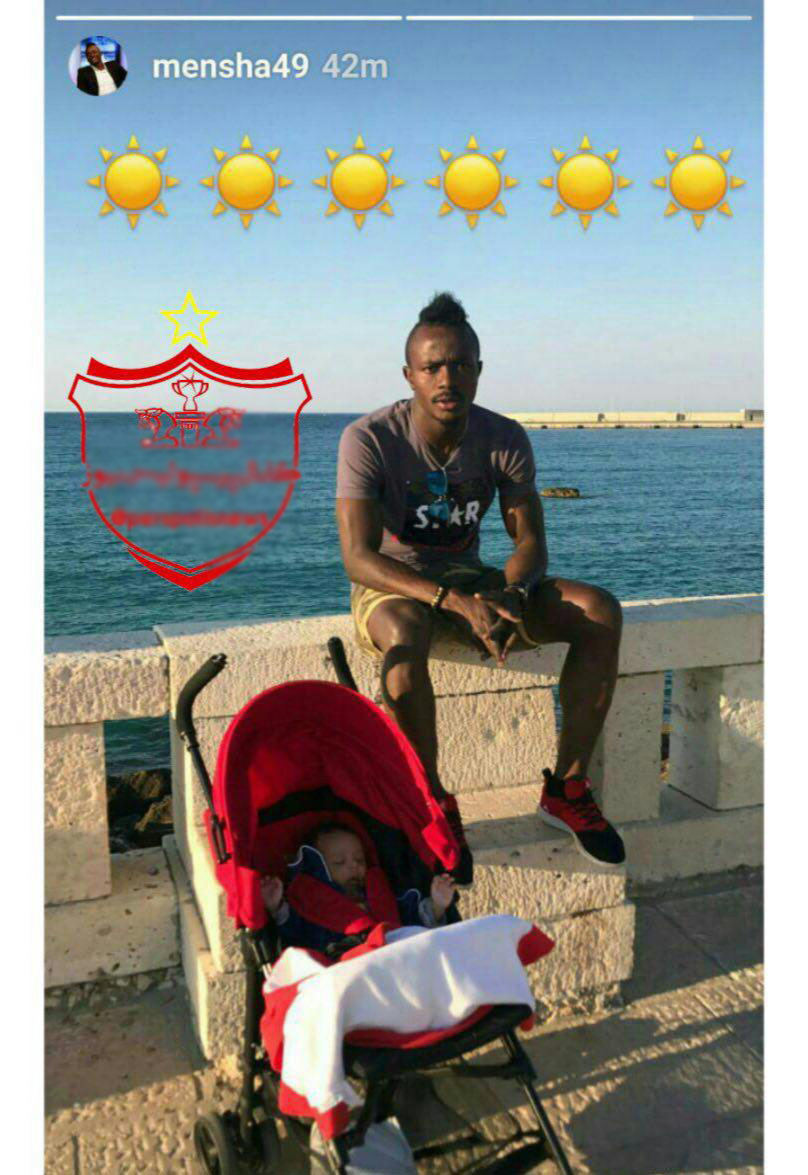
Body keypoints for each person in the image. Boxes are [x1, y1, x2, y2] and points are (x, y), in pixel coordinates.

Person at [336, 292, 626, 883]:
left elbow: (530, 543)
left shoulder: (503, 437)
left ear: (478, 370)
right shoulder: (369, 439)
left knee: (598, 610)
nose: (447, 379)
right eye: (432, 368)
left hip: (474, 579)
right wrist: (451, 601)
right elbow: (359, 559)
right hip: (397, 584)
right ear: (409, 375)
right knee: (404, 636)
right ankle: (429, 802)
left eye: (460, 365)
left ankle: (567, 789)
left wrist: (510, 597)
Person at [261, 823, 458, 957]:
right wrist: (276, 906)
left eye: (360, 859)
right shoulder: (308, 904)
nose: (354, 865)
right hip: (341, 967)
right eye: (339, 862)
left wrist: (437, 906)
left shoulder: (382, 895)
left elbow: (413, 924)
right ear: (317, 868)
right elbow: (292, 934)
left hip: (395, 956)